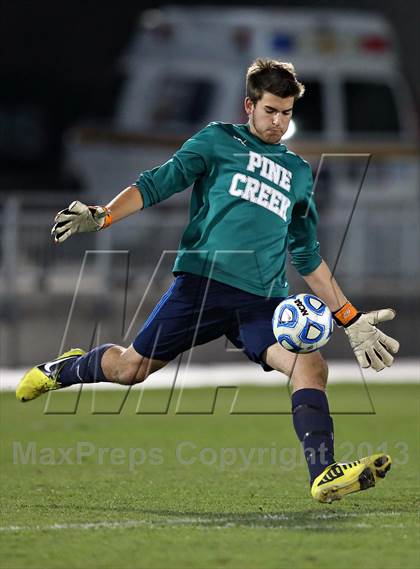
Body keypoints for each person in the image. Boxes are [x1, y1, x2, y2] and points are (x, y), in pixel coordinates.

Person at [16, 59, 399, 503]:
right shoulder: (218, 140)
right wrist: (103, 216)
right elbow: (158, 183)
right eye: (271, 110)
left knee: (311, 365)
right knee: (129, 369)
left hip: (263, 302)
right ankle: (61, 369)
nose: (278, 122)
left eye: (287, 113)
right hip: (203, 285)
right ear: (249, 105)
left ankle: (323, 473)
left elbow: (307, 254)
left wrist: (348, 317)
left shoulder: (297, 172)